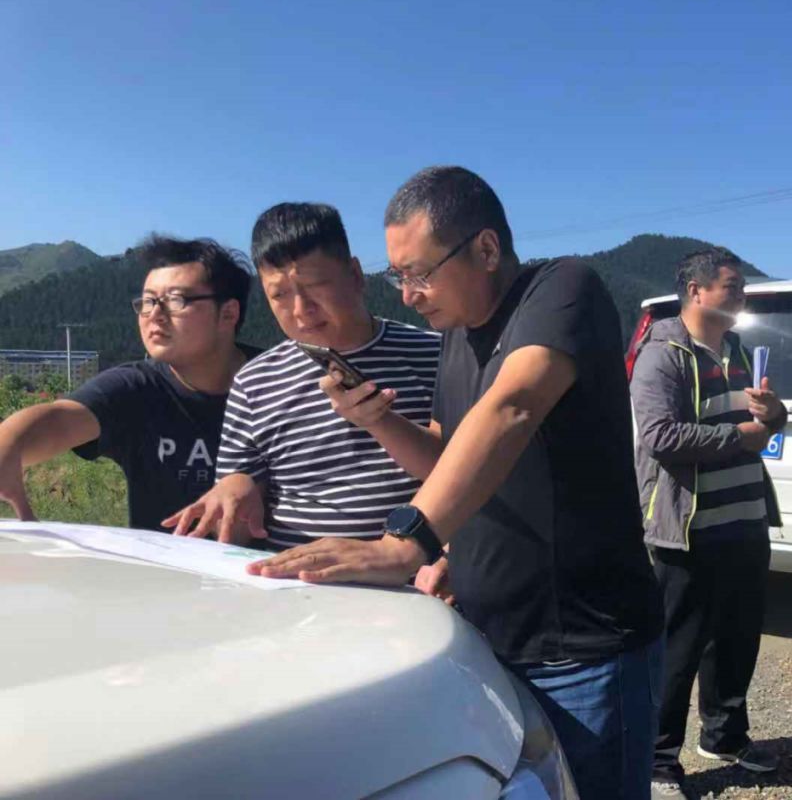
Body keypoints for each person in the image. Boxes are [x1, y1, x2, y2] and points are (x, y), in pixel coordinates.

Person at [240, 167, 665, 800]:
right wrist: (377, 420)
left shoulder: (563, 289)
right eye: (397, 276)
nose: (408, 295)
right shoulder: (457, 337)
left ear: (486, 249)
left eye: (419, 273)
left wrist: (403, 543)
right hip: (487, 640)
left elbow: (513, 405)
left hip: (583, 650)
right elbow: (443, 455)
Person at [167, 203, 442, 556]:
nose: (301, 310)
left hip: (412, 575)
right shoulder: (254, 382)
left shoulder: (435, 355)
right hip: (294, 577)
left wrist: (379, 420)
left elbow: (471, 475)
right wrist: (235, 490)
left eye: (315, 286)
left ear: (355, 275)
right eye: (279, 295)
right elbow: (240, 521)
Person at [629, 248, 787, 799]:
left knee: (737, 639)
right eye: (731, 285)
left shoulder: (738, 348)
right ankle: (658, 762)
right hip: (688, 529)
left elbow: (770, 420)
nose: (740, 294)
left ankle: (725, 736)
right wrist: (741, 436)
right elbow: (660, 436)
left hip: (745, 519)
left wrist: (773, 414)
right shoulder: (662, 354)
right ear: (696, 291)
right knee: (678, 649)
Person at [0, 235, 256, 531]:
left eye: (176, 300)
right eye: (148, 301)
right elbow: (60, 418)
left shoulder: (283, 382)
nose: (155, 315)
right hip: (162, 561)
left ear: (228, 313)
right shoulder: (137, 388)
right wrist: (8, 445)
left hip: (275, 560)